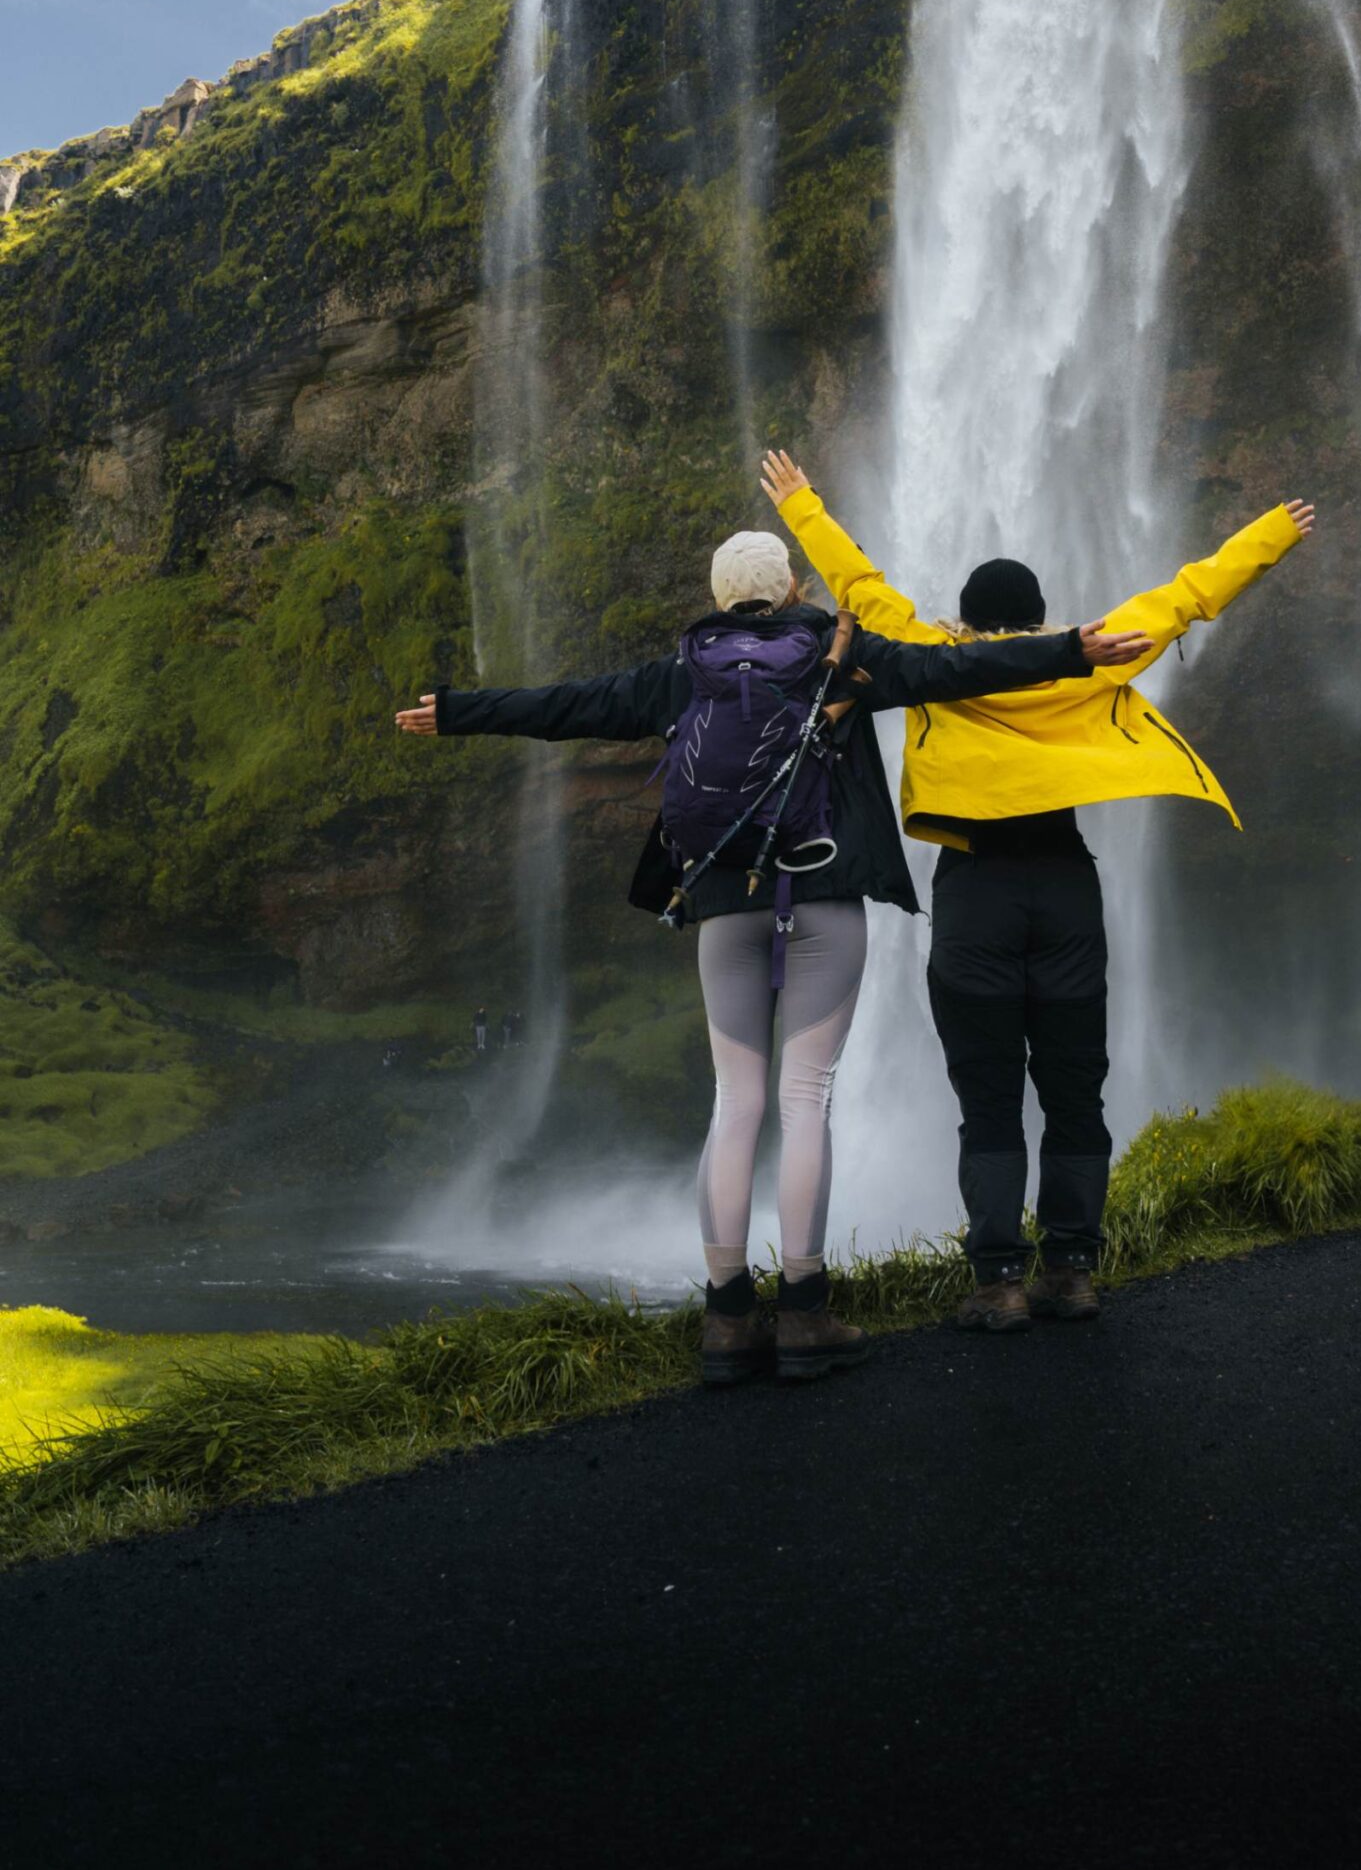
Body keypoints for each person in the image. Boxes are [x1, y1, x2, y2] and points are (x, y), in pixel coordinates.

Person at [396, 526, 1150, 1385]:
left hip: (724, 905)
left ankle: (727, 1317)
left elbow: (564, 708)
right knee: (806, 1097)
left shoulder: (681, 673)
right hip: (823, 896)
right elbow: (958, 669)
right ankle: (804, 1311)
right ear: (792, 588)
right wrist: (1070, 650)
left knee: (736, 1102)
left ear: (720, 599)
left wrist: (456, 711)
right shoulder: (843, 656)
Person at [761, 448, 1314, 1335]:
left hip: (975, 891)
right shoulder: (1087, 657)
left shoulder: (936, 659)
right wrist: (1272, 532)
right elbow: (1187, 596)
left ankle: (997, 1283)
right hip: (1064, 891)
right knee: (1074, 1092)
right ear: (1040, 617)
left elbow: (860, 588)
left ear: (967, 617)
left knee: (988, 1098)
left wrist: (802, 507)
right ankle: (1073, 1271)